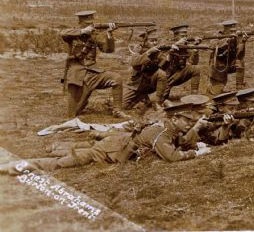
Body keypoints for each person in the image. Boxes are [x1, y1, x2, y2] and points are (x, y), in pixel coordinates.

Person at [0, 96, 210, 175]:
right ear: (175, 119)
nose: (188, 124)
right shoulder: (162, 131)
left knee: (80, 153)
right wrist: (196, 155)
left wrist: (194, 138)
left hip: (118, 144)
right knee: (67, 162)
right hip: (112, 150)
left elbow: (179, 141)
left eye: (191, 122)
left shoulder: (168, 128)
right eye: (186, 121)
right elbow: (172, 156)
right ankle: (17, 167)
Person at [60, 10, 125, 118]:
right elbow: (62, 33)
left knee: (116, 78)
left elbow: (108, 50)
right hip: (77, 76)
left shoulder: (93, 36)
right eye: (87, 24)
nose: (91, 25)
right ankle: (81, 102)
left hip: (93, 73)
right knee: (72, 113)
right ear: (81, 22)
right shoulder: (73, 34)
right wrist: (82, 31)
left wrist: (109, 34)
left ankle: (117, 111)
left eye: (91, 23)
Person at [123, 28, 167, 112]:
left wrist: (168, 56)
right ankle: (143, 98)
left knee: (161, 74)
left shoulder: (158, 51)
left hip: (149, 83)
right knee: (124, 106)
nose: (154, 43)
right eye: (151, 40)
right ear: (145, 41)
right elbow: (134, 62)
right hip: (135, 84)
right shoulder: (138, 49)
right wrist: (149, 52)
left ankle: (157, 102)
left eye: (155, 40)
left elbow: (163, 67)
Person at [207, 20, 249, 95]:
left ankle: (239, 89)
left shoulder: (237, 37)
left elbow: (240, 55)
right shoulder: (217, 35)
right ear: (225, 30)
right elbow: (212, 46)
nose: (234, 32)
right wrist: (226, 40)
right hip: (218, 66)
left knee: (240, 62)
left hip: (230, 64)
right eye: (231, 31)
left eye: (235, 30)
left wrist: (242, 42)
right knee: (216, 93)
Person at [161, 25, 202, 99]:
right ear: (175, 36)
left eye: (186, 36)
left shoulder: (184, 46)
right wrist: (175, 46)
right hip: (164, 78)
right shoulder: (166, 44)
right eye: (182, 36)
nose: (185, 38)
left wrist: (195, 49)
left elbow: (192, 63)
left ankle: (194, 96)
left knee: (196, 68)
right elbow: (161, 63)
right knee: (160, 100)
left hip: (178, 75)